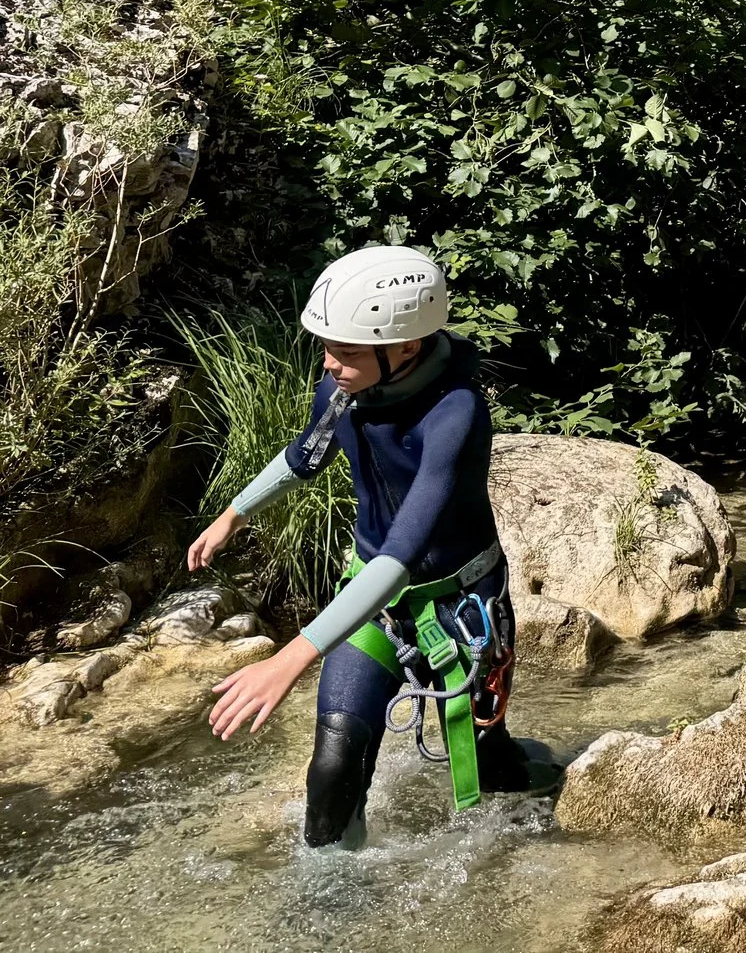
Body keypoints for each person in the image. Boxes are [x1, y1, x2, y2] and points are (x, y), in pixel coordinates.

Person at [188, 245, 547, 848]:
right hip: (374, 604)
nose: (330, 364)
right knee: (332, 767)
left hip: (461, 610)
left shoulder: (456, 414)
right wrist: (233, 514)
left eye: (347, 351)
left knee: (491, 773)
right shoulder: (344, 389)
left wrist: (290, 658)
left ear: (406, 346)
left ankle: (542, 794)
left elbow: (399, 557)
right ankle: (325, 897)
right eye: (328, 348)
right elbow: (305, 456)